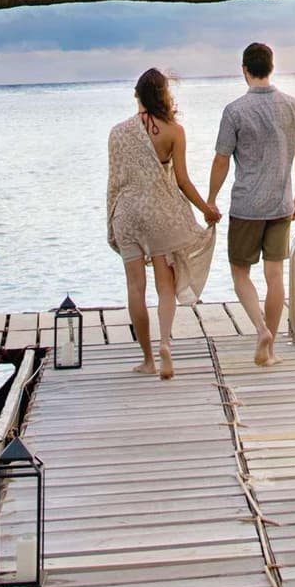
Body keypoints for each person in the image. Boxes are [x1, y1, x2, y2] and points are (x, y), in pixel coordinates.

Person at [106, 66, 218, 379]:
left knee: (135, 287)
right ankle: (165, 344)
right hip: (158, 214)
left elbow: (114, 182)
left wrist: (111, 219)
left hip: (126, 214)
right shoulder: (174, 131)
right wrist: (206, 209)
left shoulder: (117, 132)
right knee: (164, 285)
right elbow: (182, 180)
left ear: (137, 95)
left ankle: (147, 360)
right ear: (164, 95)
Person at [208, 40, 295, 366]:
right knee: (275, 275)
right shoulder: (294, 106)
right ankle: (270, 350)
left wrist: (210, 199)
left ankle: (260, 328)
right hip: (281, 204)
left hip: (246, 206)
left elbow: (222, 160)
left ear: (244, 70)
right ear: (271, 67)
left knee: (240, 273)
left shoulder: (235, 111)